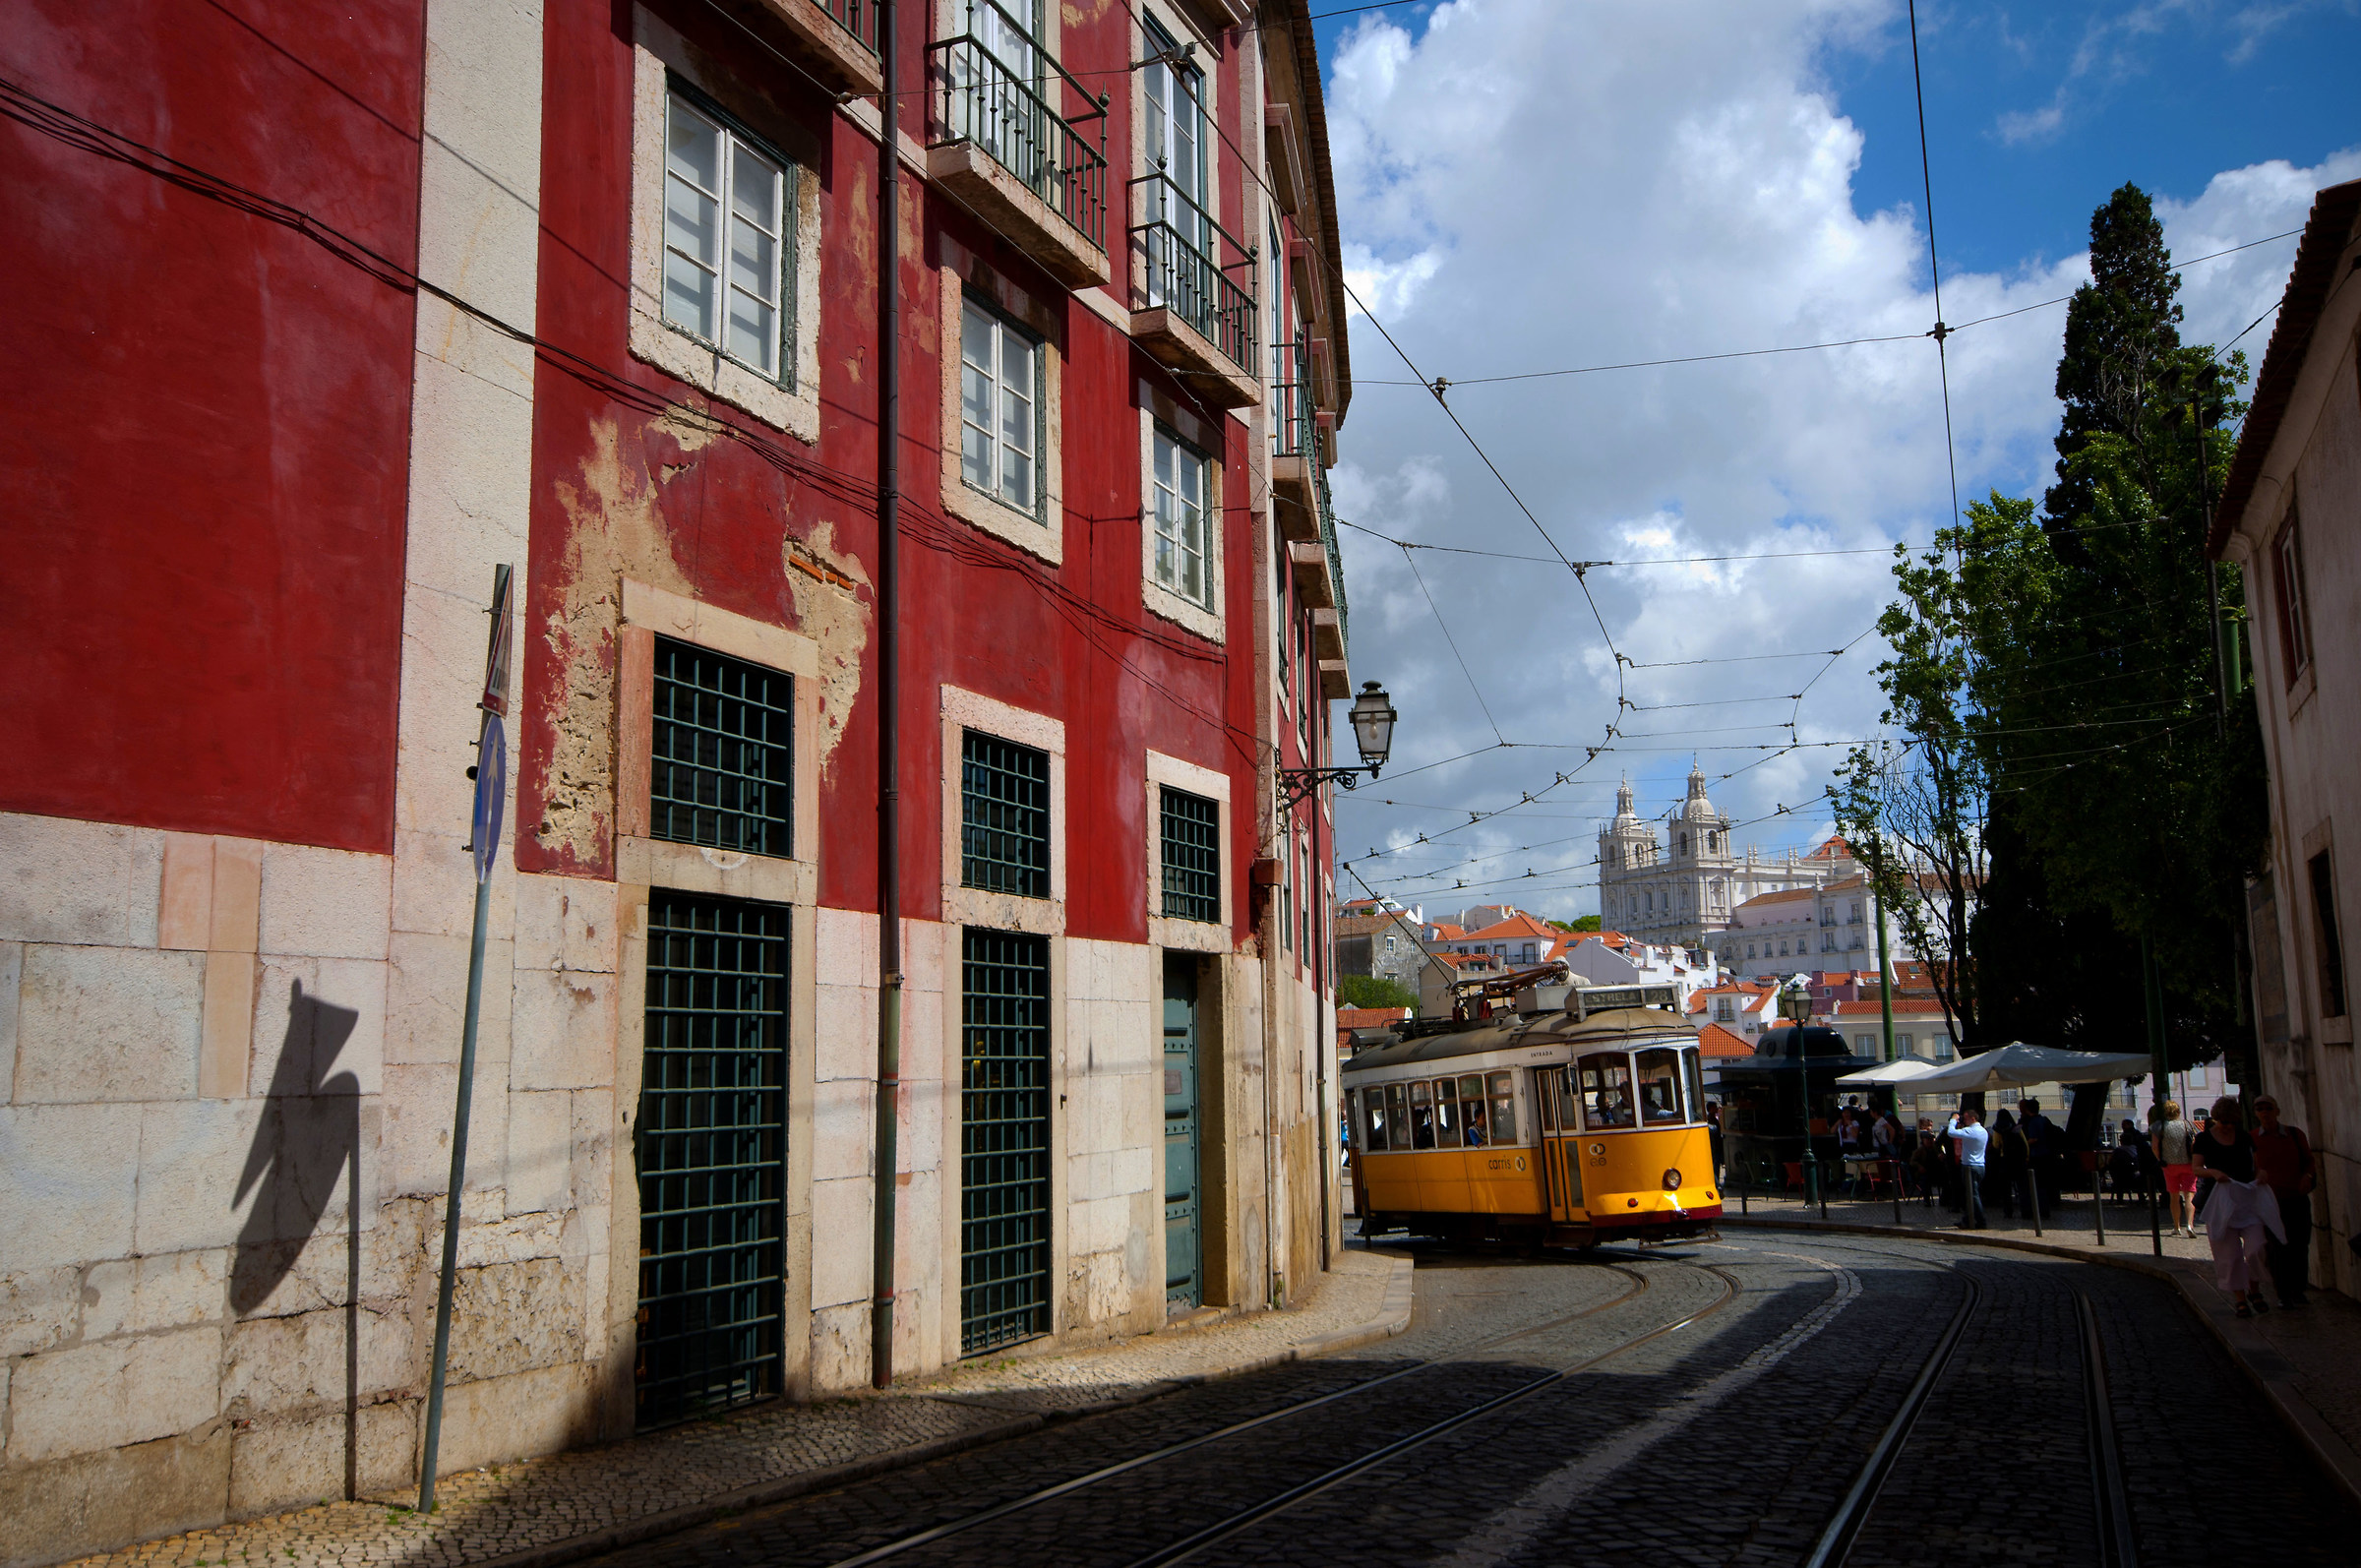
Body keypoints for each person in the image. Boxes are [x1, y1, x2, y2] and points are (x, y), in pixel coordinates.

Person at [2191, 1095, 2281, 1318]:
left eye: (2232, 1123)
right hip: (2219, 1202)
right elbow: (2196, 1168)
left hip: (2246, 1200)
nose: (2228, 1127)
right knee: (2229, 1255)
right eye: (2224, 1123)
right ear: (2216, 1119)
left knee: (2256, 1248)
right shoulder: (2204, 1139)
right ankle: (2241, 1299)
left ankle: (2255, 1289)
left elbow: (2257, 1166)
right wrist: (2213, 1172)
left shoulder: (2243, 1137)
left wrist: (2261, 1174)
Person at [2252, 1095, 2316, 1308]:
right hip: (2269, 1204)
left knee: (2299, 1246)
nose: (2264, 1112)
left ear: (2277, 1111)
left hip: (2296, 1199)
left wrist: (2307, 1176)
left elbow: (2309, 1161)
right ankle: (2283, 1293)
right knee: (2276, 1249)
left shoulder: (2295, 1135)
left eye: (2268, 1108)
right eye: (2259, 1108)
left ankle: (2298, 1290)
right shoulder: (2252, 1139)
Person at [2153, 1100, 2198, 1236]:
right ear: (2178, 1112)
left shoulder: (2158, 1126)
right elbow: (2195, 1143)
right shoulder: (2188, 1124)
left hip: (2169, 1165)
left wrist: (2160, 1159)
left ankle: (2176, 1226)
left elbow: (2155, 1146)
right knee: (2189, 1196)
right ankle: (2190, 1225)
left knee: (2174, 1197)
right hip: (2188, 1164)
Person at [1946, 1106, 1989, 1229]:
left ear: (1973, 1118)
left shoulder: (1972, 1131)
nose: (1964, 1121)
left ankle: (1981, 1221)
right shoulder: (1983, 1131)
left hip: (1970, 1166)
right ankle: (1966, 1219)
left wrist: (1953, 1120)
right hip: (1980, 1165)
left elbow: (1950, 1132)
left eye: (1965, 1118)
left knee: (1973, 1194)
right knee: (1971, 1194)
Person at [2019, 1098, 2058, 1216]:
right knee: (2043, 1185)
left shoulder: (2033, 1122)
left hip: (2036, 1156)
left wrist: (2023, 1143)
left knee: (2037, 1185)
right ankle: (2044, 1209)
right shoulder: (2044, 1120)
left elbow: (2033, 1138)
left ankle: (2039, 1211)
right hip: (2047, 1155)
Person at [1990, 1110, 2030, 1222]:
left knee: (2006, 1189)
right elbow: (2025, 1143)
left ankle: (2008, 1212)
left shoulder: (1997, 1129)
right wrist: (2026, 1157)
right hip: (2018, 1160)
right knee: (2023, 1187)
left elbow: (1996, 1145)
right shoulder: (2016, 1127)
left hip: (2005, 1160)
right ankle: (2026, 1211)